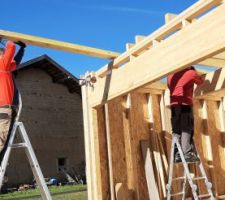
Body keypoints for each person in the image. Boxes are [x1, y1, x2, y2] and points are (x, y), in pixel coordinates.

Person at [167, 66, 204, 163]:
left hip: (174, 106)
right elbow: (201, 82)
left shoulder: (170, 75)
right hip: (185, 104)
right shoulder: (191, 73)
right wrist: (195, 71)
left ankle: (177, 154)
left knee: (176, 130)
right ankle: (186, 153)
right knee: (186, 128)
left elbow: (169, 86)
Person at [0, 38, 26, 163]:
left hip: (5, 108)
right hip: (4, 108)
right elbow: (11, 47)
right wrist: (3, 40)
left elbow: (15, 62)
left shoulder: (5, 68)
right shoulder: (1, 65)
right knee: (1, 140)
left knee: (4, 139)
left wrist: (22, 49)